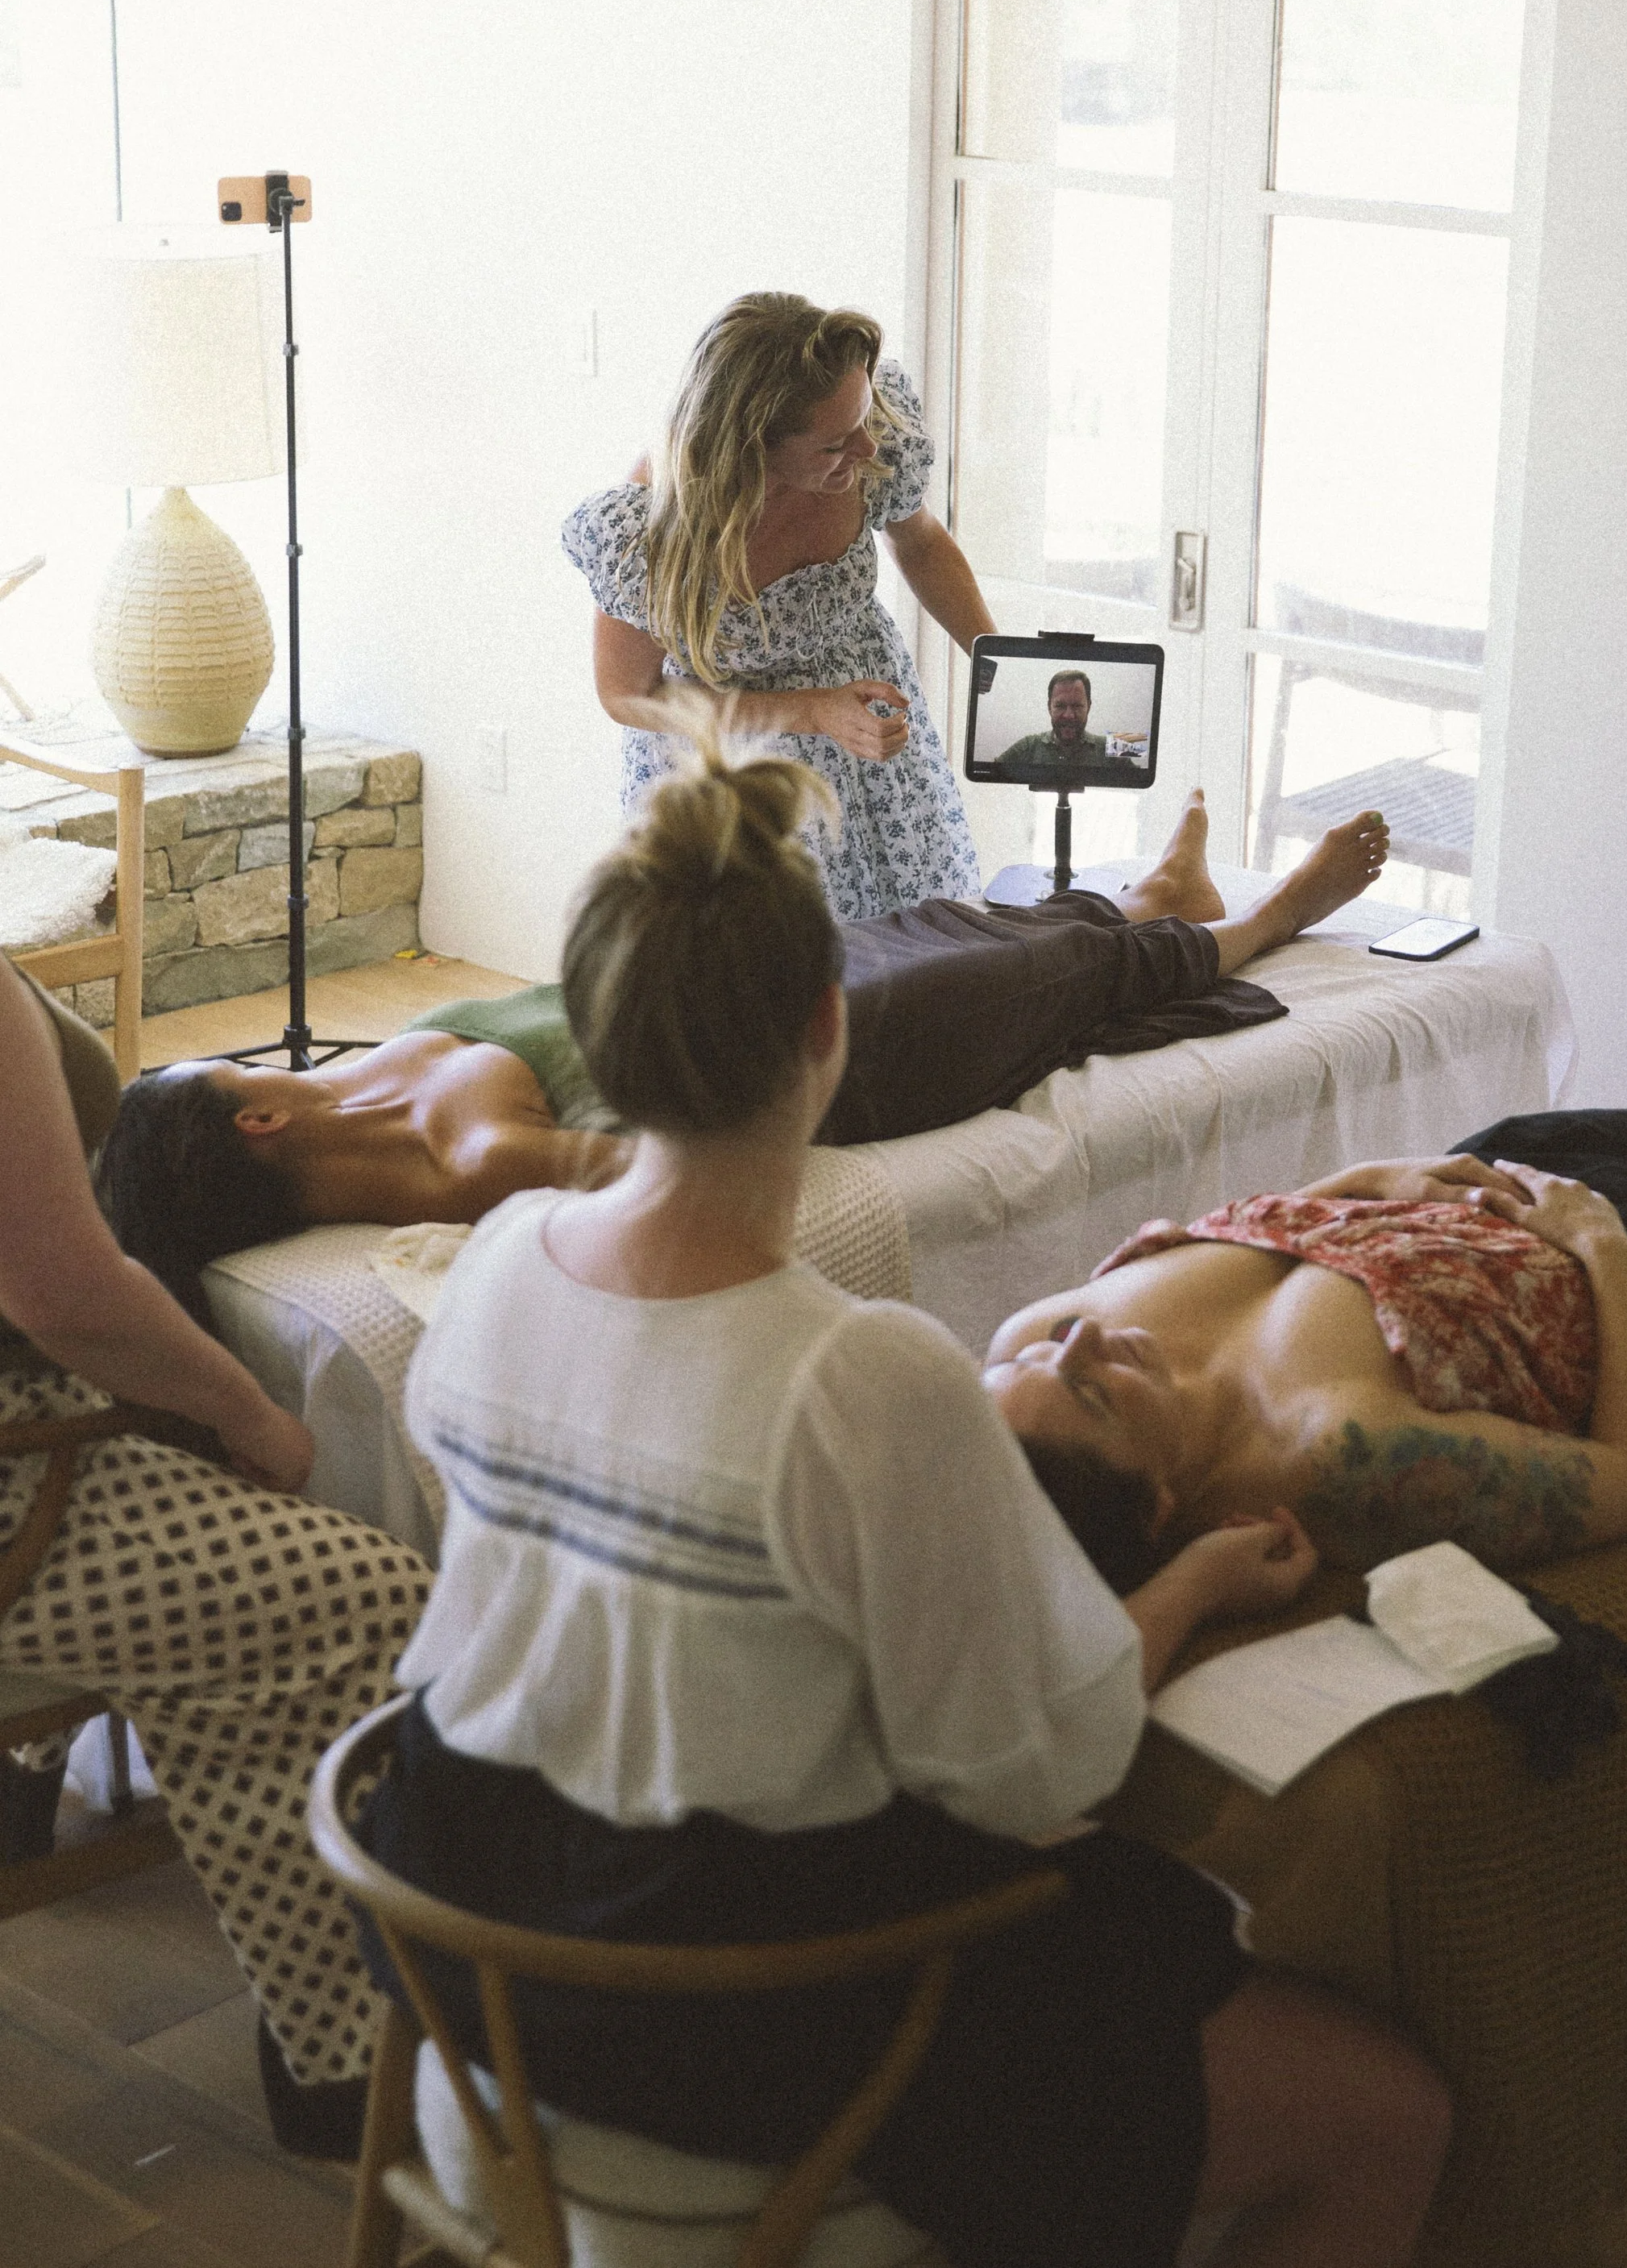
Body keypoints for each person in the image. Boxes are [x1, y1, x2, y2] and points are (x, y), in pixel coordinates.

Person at [353, 728, 1450, 2268]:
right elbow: (1032, 1773)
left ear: (596, 1031)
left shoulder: (490, 1272)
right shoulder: (861, 1380)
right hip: (703, 2042)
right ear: (828, 1026)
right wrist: (1191, 1585)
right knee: (1382, 2112)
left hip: (471, 1974)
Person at [96, 795, 1392, 1303]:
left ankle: (1162, 902)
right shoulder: (472, 1156)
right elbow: (693, 1156)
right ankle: (1271, 919)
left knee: (943, 921)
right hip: (801, 1053)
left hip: (725, 976)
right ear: (252, 1125)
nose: (248, 1064)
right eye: (219, 1073)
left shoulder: (343, 1082)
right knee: (1042, 977)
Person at [982, 1032, 1627, 1590]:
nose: (1077, 1337)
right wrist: (1604, 1246)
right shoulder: (1336, 1458)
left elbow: (1252, 1234)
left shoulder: (1025, 1343)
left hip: (1506, 1172)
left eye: (1043, 1358)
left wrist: (1371, 1175)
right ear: (1158, 1504)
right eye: (1094, 1387)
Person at [0, 958, 432, 2158]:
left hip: (44, 1426)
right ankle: (341, 2066)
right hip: (18, 1485)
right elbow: (61, 1290)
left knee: (148, 1418)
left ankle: (23, 1784)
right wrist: (250, 1414)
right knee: (368, 1592)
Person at [568, 291, 992, 919]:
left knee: (909, 964)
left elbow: (922, 542)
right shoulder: (649, 528)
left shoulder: (868, 437)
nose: (868, 449)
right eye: (836, 443)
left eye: (865, 419)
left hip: (876, 774)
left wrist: (999, 663)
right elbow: (627, 694)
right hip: (735, 782)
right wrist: (811, 712)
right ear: (751, 445)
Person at [993, 667, 1147, 777]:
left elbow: (1142, 783)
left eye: (1077, 706)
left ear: (1089, 707)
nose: (1069, 715)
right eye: (1060, 706)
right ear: (1049, 707)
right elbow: (990, 775)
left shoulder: (1113, 746)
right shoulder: (1027, 746)